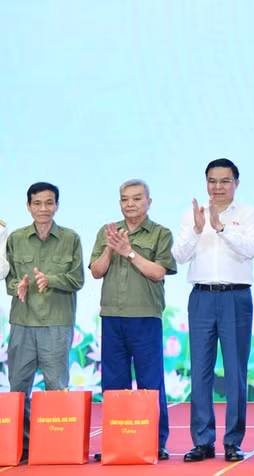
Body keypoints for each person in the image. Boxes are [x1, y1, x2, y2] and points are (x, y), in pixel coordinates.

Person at [172, 158, 254, 462]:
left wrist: (221, 227)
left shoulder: (247, 214)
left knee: (236, 370)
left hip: (235, 297)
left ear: (236, 183)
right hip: (201, 297)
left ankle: (233, 441)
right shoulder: (192, 215)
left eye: (225, 181)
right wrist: (198, 230)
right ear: (206, 182)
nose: (218, 187)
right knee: (200, 371)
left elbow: (250, 249)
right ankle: (202, 441)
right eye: (213, 181)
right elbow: (179, 256)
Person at [89, 179, 176, 461]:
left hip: (145, 316)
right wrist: (111, 248)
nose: (131, 204)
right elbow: (97, 271)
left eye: (137, 199)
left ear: (148, 202)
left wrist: (130, 252)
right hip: (112, 316)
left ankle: (155, 441)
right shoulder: (109, 233)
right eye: (125, 199)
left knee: (151, 383)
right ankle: (116, 441)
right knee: (113, 383)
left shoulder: (161, 233)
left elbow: (158, 272)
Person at [5, 182, 84, 463]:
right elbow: (9, 279)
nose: (43, 209)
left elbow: (77, 280)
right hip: (22, 323)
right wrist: (19, 286)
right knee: (18, 387)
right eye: (37, 203)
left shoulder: (70, 238)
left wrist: (50, 280)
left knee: (56, 387)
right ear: (28, 206)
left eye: (49, 203)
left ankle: (56, 443)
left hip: (57, 322)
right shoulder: (14, 238)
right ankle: (23, 445)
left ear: (57, 206)